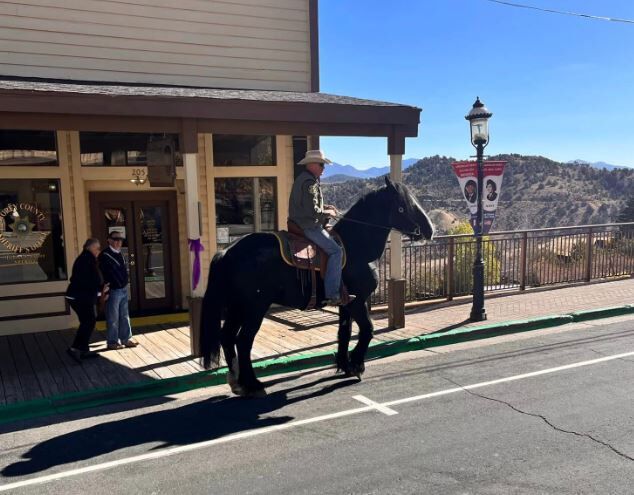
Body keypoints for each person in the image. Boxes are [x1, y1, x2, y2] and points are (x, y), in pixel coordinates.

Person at [288, 149, 355, 306]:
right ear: (311, 165)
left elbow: (308, 205)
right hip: (308, 226)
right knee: (336, 251)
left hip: (301, 222)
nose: (323, 168)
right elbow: (312, 212)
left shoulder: (304, 179)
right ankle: (333, 294)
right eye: (321, 165)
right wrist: (328, 212)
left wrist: (325, 206)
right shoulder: (310, 183)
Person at [65, 238, 109, 362]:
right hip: (79, 297)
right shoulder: (86, 260)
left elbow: (93, 280)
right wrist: (100, 291)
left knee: (88, 322)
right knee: (88, 321)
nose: (99, 250)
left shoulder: (88, 258)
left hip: (81, 296)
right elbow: (88, 281)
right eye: (97, 248)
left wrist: (100, 290)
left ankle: (83, 350)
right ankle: (74, 349)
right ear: (89, 247)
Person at [99, 230, 139, 350]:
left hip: (122, 289)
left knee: (124, 316)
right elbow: (107, 274)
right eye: (115, 240)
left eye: (120, 240)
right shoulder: (105, 255)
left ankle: (126, 339)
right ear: (109, 240)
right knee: (113, 317)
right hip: (113, 290)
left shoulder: (120, 253)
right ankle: (112, 342)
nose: (118, 242)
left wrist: (124, 283)